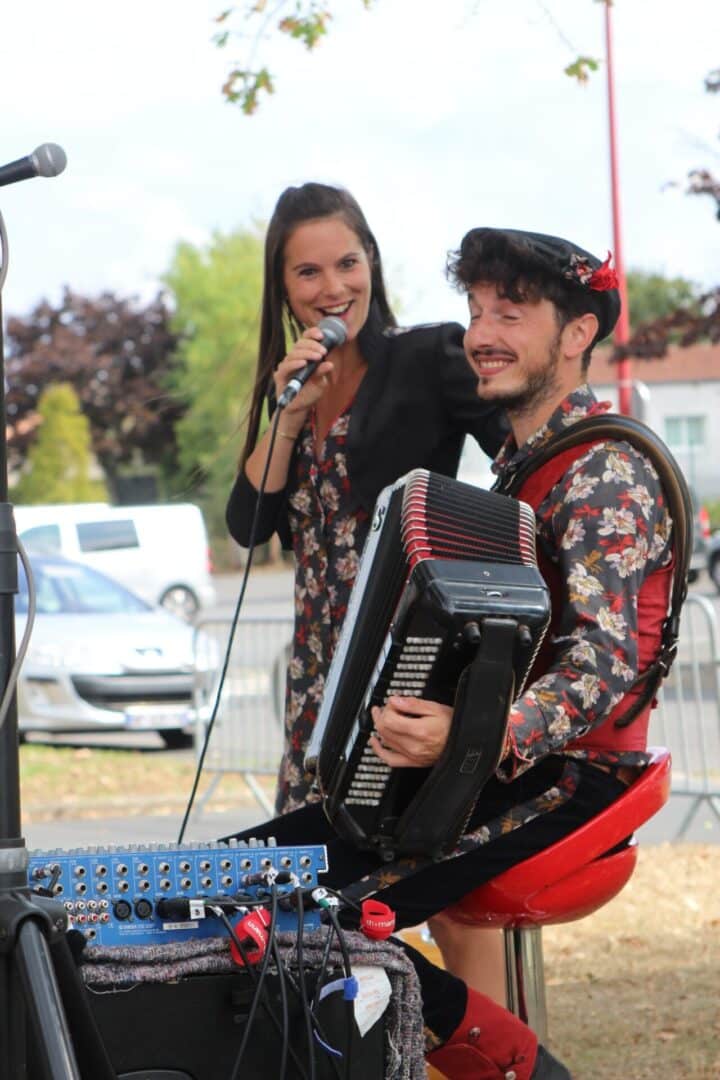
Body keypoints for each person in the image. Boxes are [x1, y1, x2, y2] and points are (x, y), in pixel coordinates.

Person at [224, 226, 680, 1078]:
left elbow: (604, 665)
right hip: (485, 764)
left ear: (578, 332)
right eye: (475, 309)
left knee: (303, 918)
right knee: (249, 882)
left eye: (512, 311)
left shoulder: (604, 469)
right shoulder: (520, 467)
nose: (481, 332)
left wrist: (472, 736)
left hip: (567, 775)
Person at [226, 181, 507, 815]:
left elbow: (517, 455)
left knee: (417, 874)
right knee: (314, 893)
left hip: (402, 670)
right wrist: (290, 414)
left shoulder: (426, 357)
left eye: (348, 263)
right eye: (309, 272)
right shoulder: (290, 390)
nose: (333, 288)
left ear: (371, 262)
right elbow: (247, 526)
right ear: (284, 289)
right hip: (315, 680)